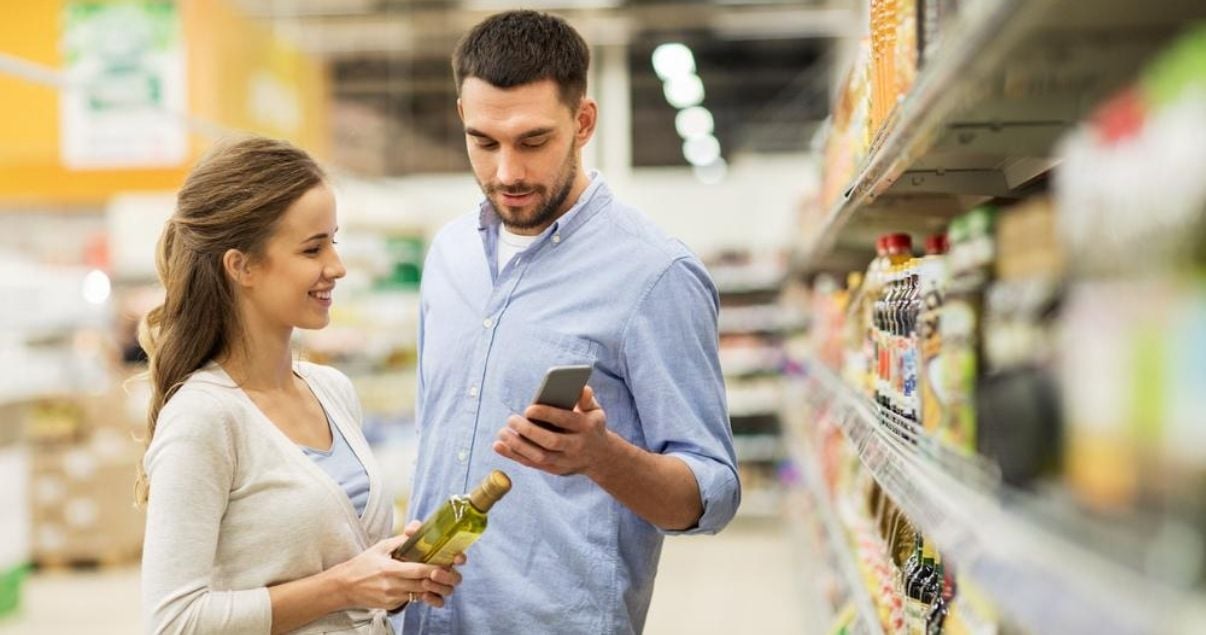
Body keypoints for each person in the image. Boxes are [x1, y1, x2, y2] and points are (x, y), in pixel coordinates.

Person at [405, 11, 740, 634]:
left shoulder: (653, 274)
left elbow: (712, 495)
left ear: (583, 122)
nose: (506, 172)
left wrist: (600, 456)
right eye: (484, 141)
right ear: (461, 118)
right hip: (428, 622)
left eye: (533, 141)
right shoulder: (448, 255)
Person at [138, 137, 464, 634]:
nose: (337, 266)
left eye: (334, 240)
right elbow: (174, 622)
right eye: (313, 248)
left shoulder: (330, 390)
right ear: (241, 266)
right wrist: (347, 584)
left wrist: (394, 578)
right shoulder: (205, 418)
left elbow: (344, 591)